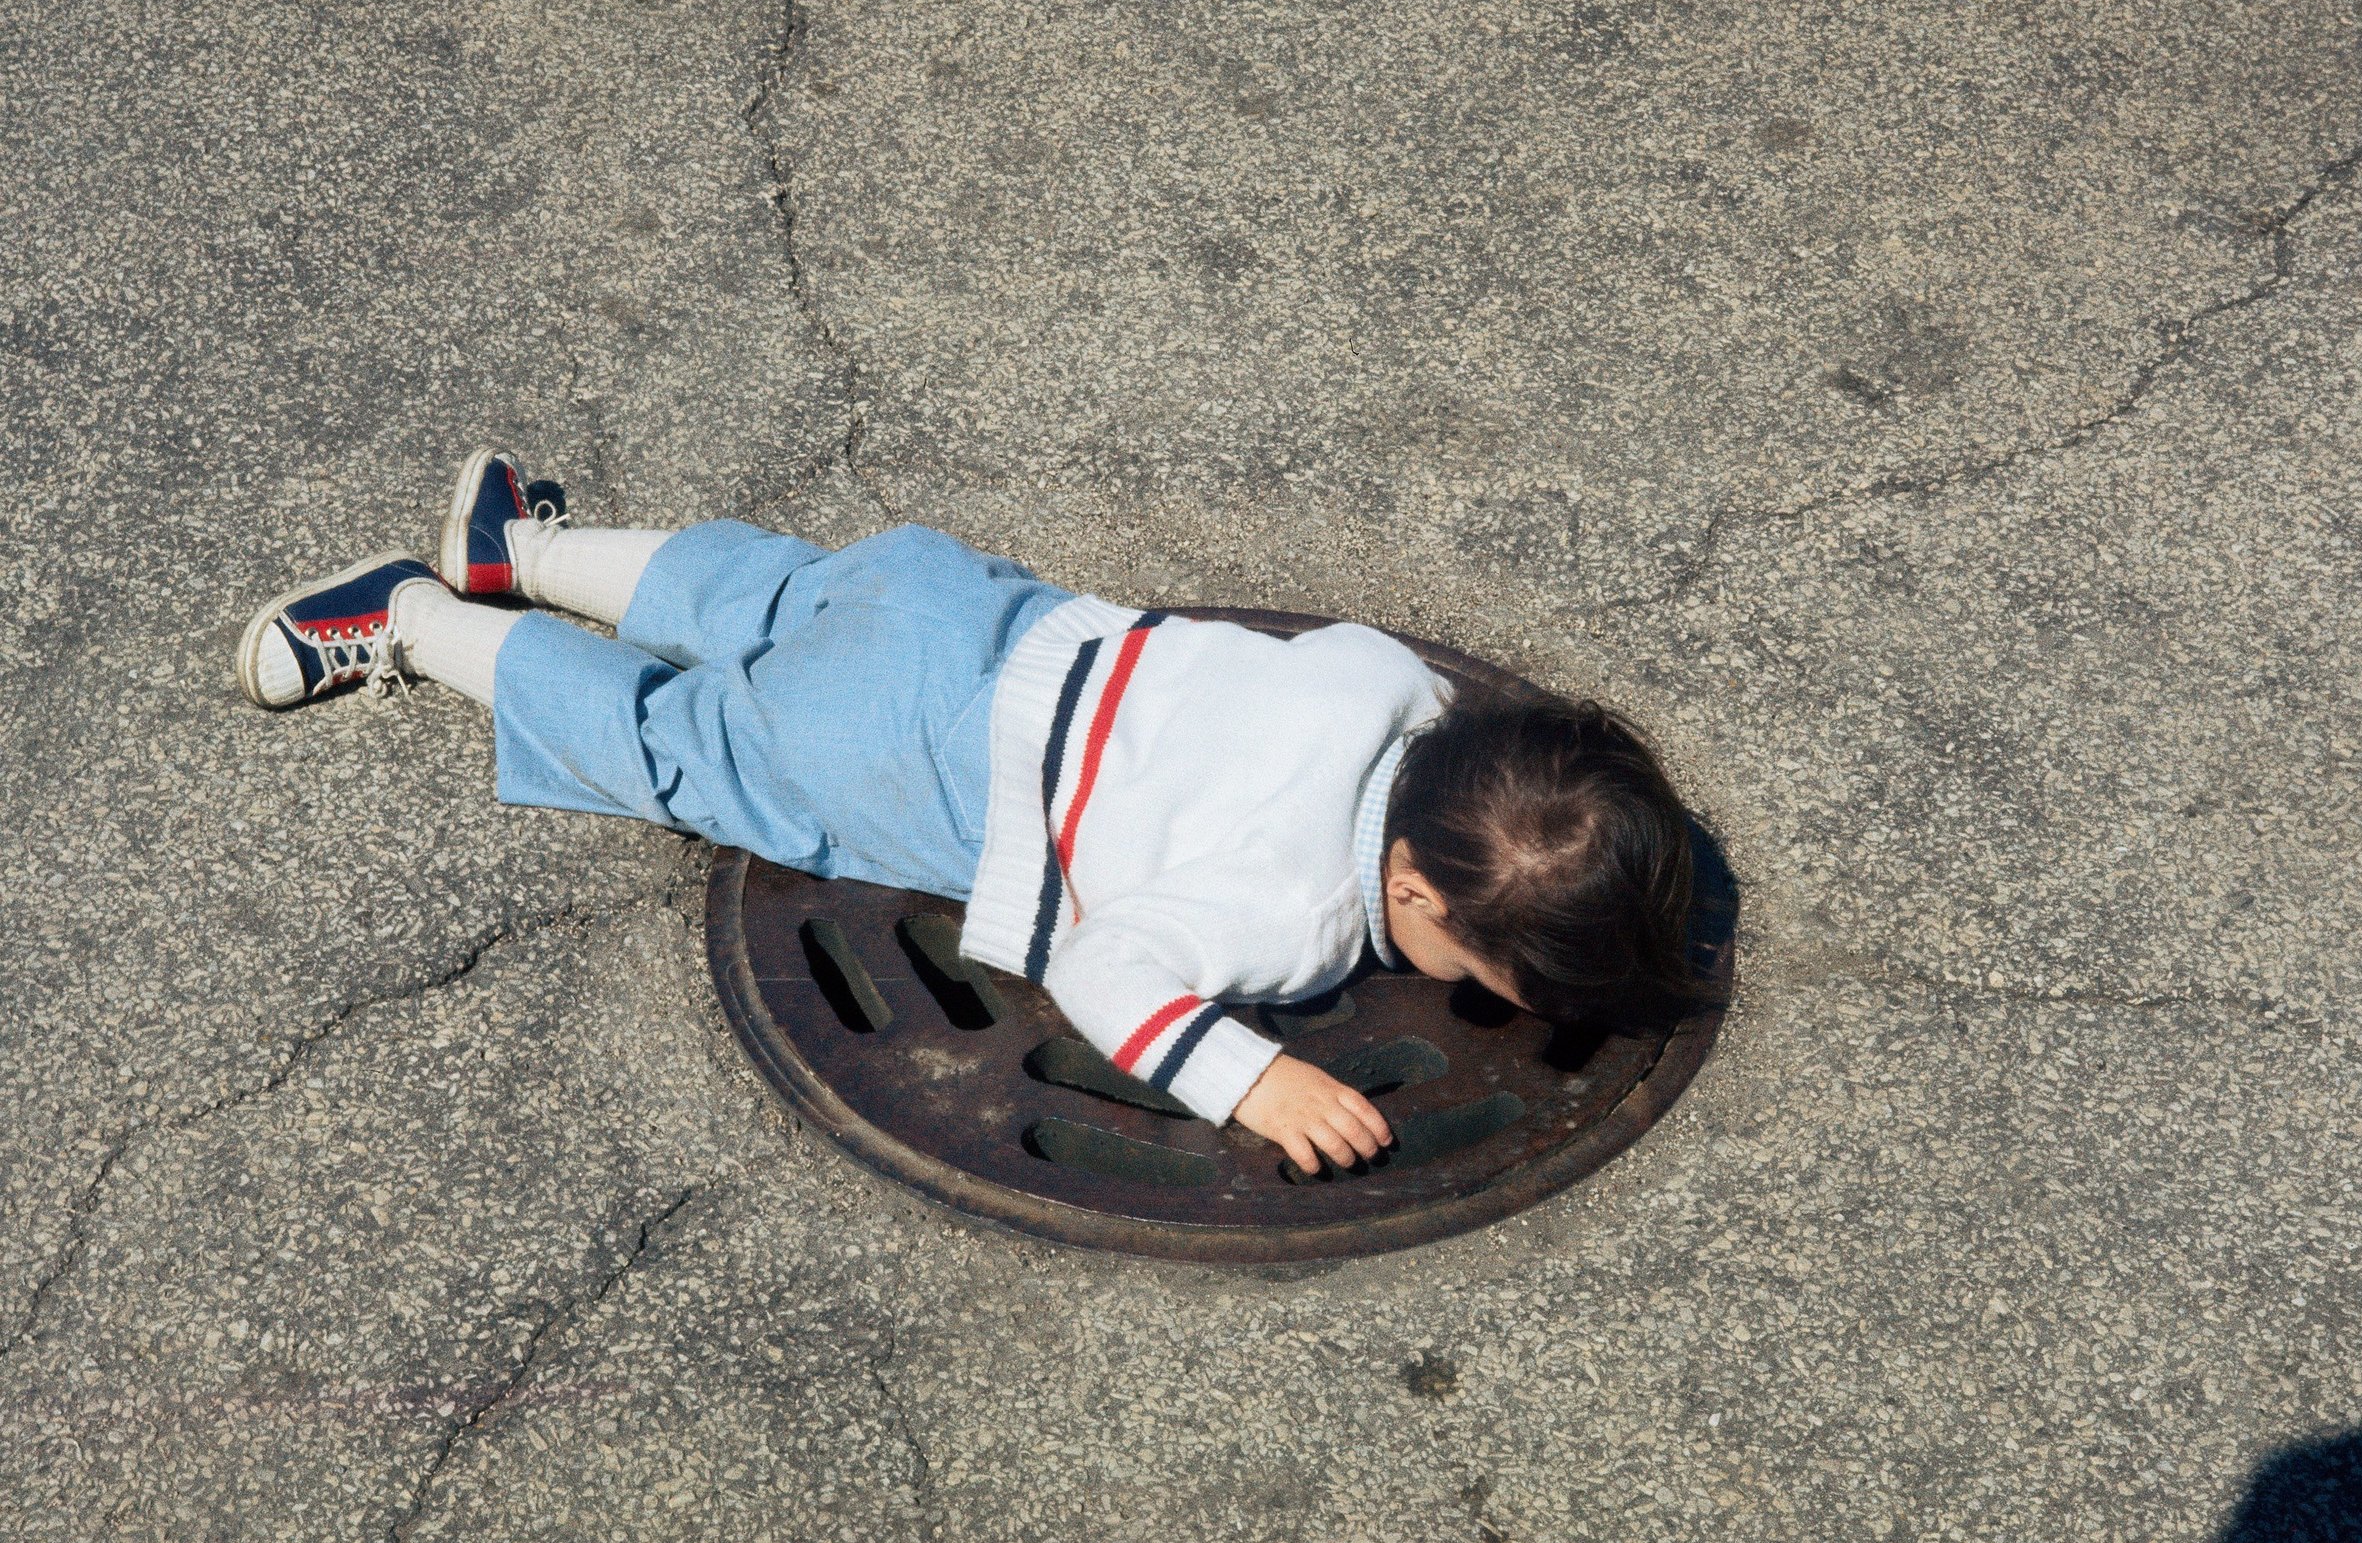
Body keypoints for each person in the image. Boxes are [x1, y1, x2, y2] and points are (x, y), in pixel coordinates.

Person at [236, 451, 1708, 1174]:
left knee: (761, 589)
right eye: (1497, 975)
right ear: (1418, 900)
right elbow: (1104, 970)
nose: (1492, 1001)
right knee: (682, 746)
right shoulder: (1299, 912)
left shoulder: (1385, 684)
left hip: (974, 613)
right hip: (909, 764)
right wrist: (1250, 1080)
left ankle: (527, 546)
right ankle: (418, 621)